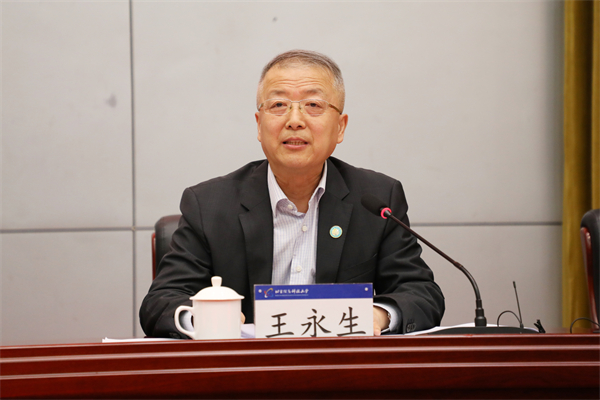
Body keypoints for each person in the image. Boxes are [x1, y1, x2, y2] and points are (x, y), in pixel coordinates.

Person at [140, 50, 444, 338]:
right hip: (246, 370)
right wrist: (204, 319)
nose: (295, 120)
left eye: (313, 105)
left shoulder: (377, 200)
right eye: (278, 105)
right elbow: (161, 301)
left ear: (340, 127)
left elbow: (421, 294)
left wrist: (379, 315)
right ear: (259, 125)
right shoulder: (209, 204)